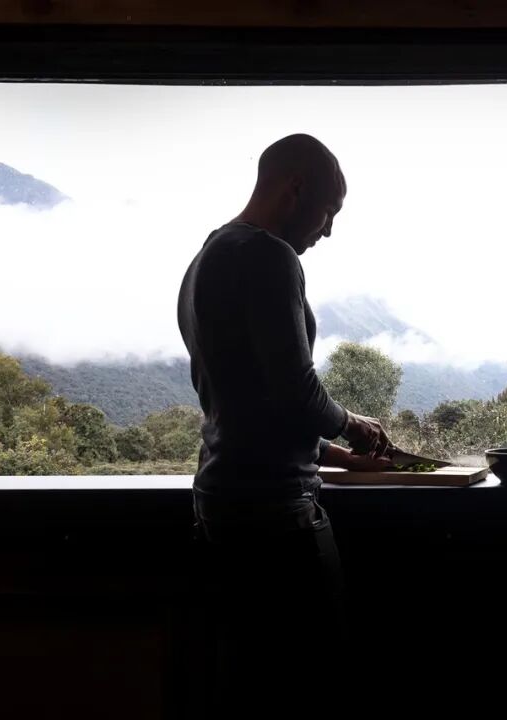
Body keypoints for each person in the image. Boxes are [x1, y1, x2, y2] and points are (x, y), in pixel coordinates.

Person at [176, 133, 390, 714]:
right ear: (295, 190)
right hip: (276, 518)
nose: (328, 231)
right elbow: (296, 389)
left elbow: (247, 404)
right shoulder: (269, 255)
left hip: (219, 506)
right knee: (312, 683)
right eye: (328, 211)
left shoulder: (207, 256)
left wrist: (337, 457)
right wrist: (354, 426)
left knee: (249, 682)